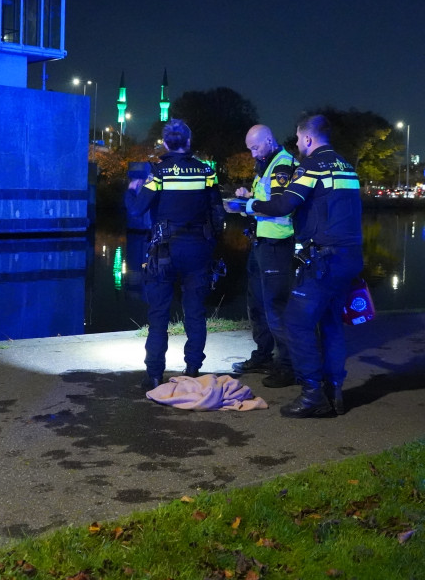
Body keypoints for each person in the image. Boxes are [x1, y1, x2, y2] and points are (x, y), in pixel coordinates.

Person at [240, 114, 363, 418]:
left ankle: (312, 395)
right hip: (350, 256)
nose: (296, 144)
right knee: (332, 324)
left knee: (295, 322)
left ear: (308, 138)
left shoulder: (313, 166)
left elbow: (284, 205)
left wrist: (250, 205)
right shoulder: (347, 167)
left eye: (298, 138)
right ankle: (334, 392)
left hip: (325, 258)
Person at [126, 118, 225, 392]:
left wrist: (131, 191)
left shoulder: (158, 174)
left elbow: (137, 210)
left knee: (158, 314)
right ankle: (193, 369)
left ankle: (155, 374)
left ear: (166, 143)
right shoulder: (207, 172)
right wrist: (212, 242)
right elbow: (217, 212)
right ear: (189, 142)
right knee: (195, 312)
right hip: (198, 250)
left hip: (164, 251)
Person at [226, 124, 297, 389]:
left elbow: (281, 206)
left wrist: (249, 204)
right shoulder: (266, 164)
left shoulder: (282, 166)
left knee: (275, 307)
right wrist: (249, 198)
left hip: (277, 245)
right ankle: (263, 355)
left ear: (268, 140)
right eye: (250, 149)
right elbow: (264, 200)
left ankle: (288, 366)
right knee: (256, 303)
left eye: (255, 147)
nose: (253, 153)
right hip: (261, 244)